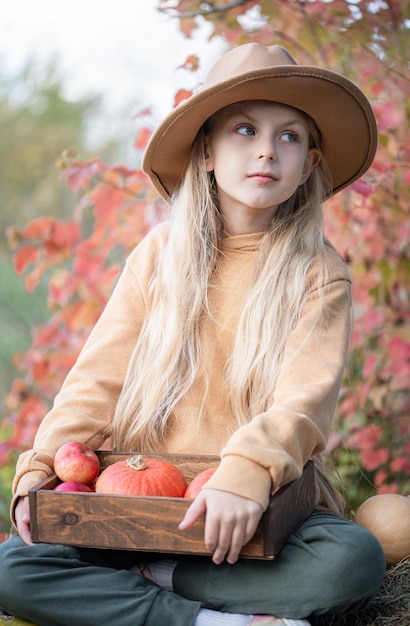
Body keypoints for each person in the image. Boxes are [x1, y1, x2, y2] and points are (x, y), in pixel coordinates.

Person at [0, 43, 385, 626]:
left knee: (351, 561)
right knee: (11, 568)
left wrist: (248, 473)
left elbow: (304, 403)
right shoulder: (159, 255)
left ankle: (152, 582)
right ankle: (210, 620)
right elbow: (96, 379)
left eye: (289, 136)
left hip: (250, 512)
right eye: (244, 128)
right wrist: (41, 471)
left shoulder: (318, 272)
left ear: (309, 164)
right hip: (136, 506)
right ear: (206, 151)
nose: (265, 149)